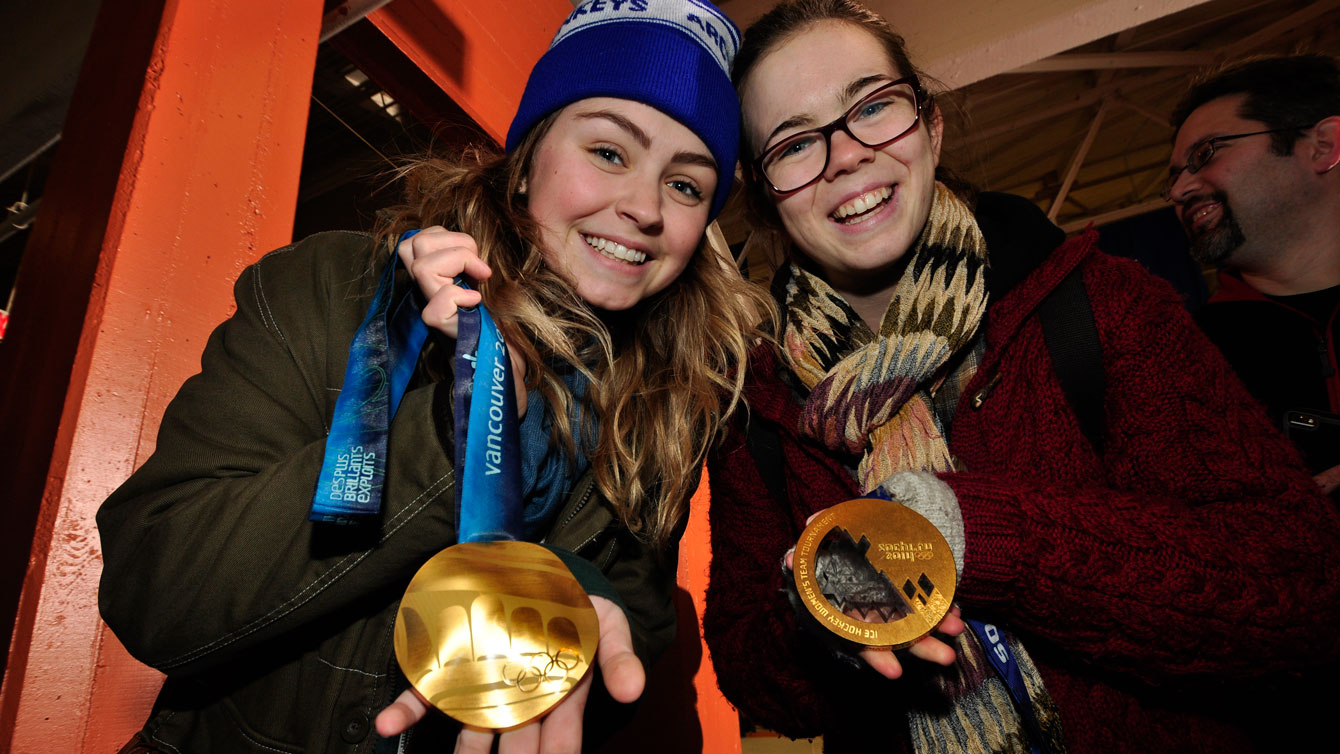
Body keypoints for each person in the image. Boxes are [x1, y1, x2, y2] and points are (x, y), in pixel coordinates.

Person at [96, 2, 768, 753]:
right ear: (527, 162)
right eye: (610, 152)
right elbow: (151, 586)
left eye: (686, 186)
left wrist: (576, 602)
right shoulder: (335, 291)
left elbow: (637, 626)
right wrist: (451, 436)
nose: (644, 206)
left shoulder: (665, 402)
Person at [701, 2, 1340, 753]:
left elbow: (1300, 596)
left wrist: (972, 533)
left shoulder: (1101, 306)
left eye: (873, 107)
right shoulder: (761, 406)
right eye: (794, 143)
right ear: (763, 192)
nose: (845, 155)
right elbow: (754, 675)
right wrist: (814, 612)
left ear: (929, 125)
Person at [1166, 54, 1340, 492]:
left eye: (1205, 153)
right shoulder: (1184, 362)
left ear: (1323, 146)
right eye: (1173, 176)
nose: (1178, 190)